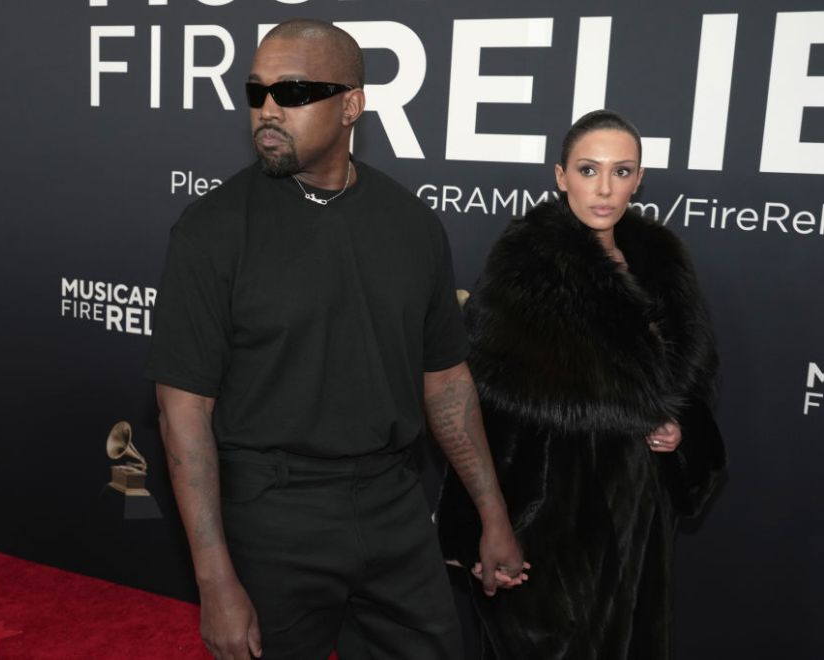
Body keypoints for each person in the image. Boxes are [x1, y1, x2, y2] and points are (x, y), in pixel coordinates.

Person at [145, 18, 526, 660]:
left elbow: (445, 381)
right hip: (271, 511)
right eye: (257, 91)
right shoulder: (211, 231)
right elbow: (182, 410)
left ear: (351, 106)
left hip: (394, 501)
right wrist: (213, 579)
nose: (268, 109)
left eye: (293, 92)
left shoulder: (412, 225)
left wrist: (493, 516)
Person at [436, 110, 726, 660]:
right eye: (589, 170)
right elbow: (481, 407)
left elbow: (690, 388)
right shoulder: (525, 269)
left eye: (622, 171)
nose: (605, 188)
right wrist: (477, 525)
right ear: (561, 175)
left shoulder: (663, 266)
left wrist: (679, 430)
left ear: (639, 180)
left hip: (639, 523)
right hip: (549, 522)